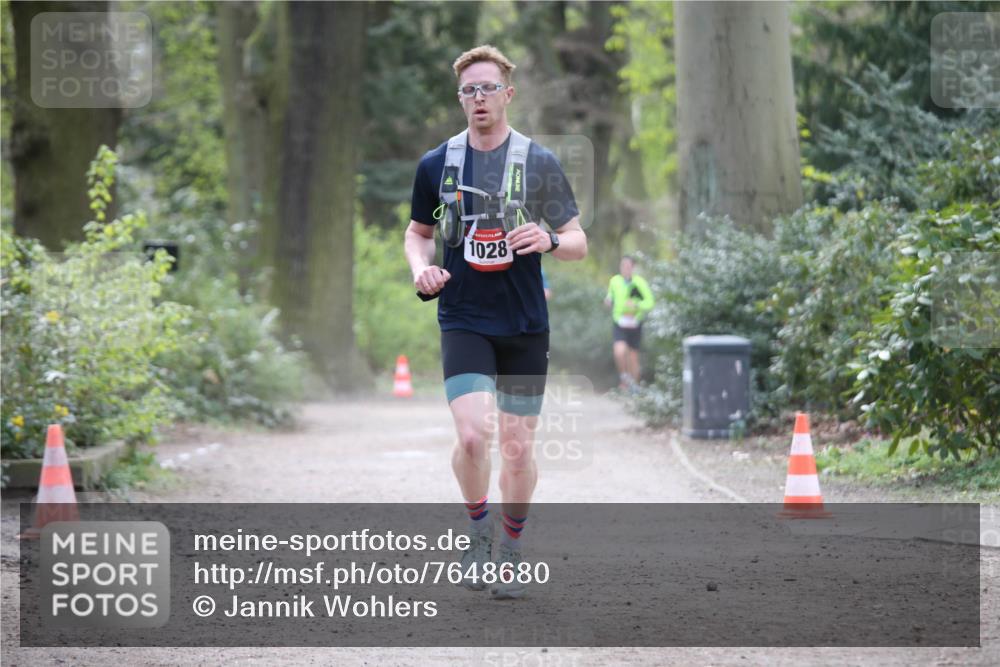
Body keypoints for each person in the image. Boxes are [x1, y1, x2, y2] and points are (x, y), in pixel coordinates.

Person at [404, 45, 587, 599]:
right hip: (463, 317)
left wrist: (549, 239)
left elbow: (578, 242)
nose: (478, 98)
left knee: (517, 449)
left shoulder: (539, 162)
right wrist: (421, 270)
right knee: (471, 434)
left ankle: (511, 546)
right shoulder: (437, 164)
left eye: (487, 88)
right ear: (460, 98)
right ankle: (478, 532)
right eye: (469, 90)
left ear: (508, 94)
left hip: (525, 323)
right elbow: (418, 234)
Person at [604, 255, 654, 390]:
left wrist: (637, 305)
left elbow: (650, 302)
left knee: (633, 356)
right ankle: (624, 378)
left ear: (633, 267)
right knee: (619, 351)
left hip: (635, 323)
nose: (625, 268)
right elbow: (610, 295)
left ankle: (634, 387)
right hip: (619, 322)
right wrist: (608, 300)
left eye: (628, 266)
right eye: (623, 266)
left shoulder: (640, 282)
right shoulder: (615, 281)